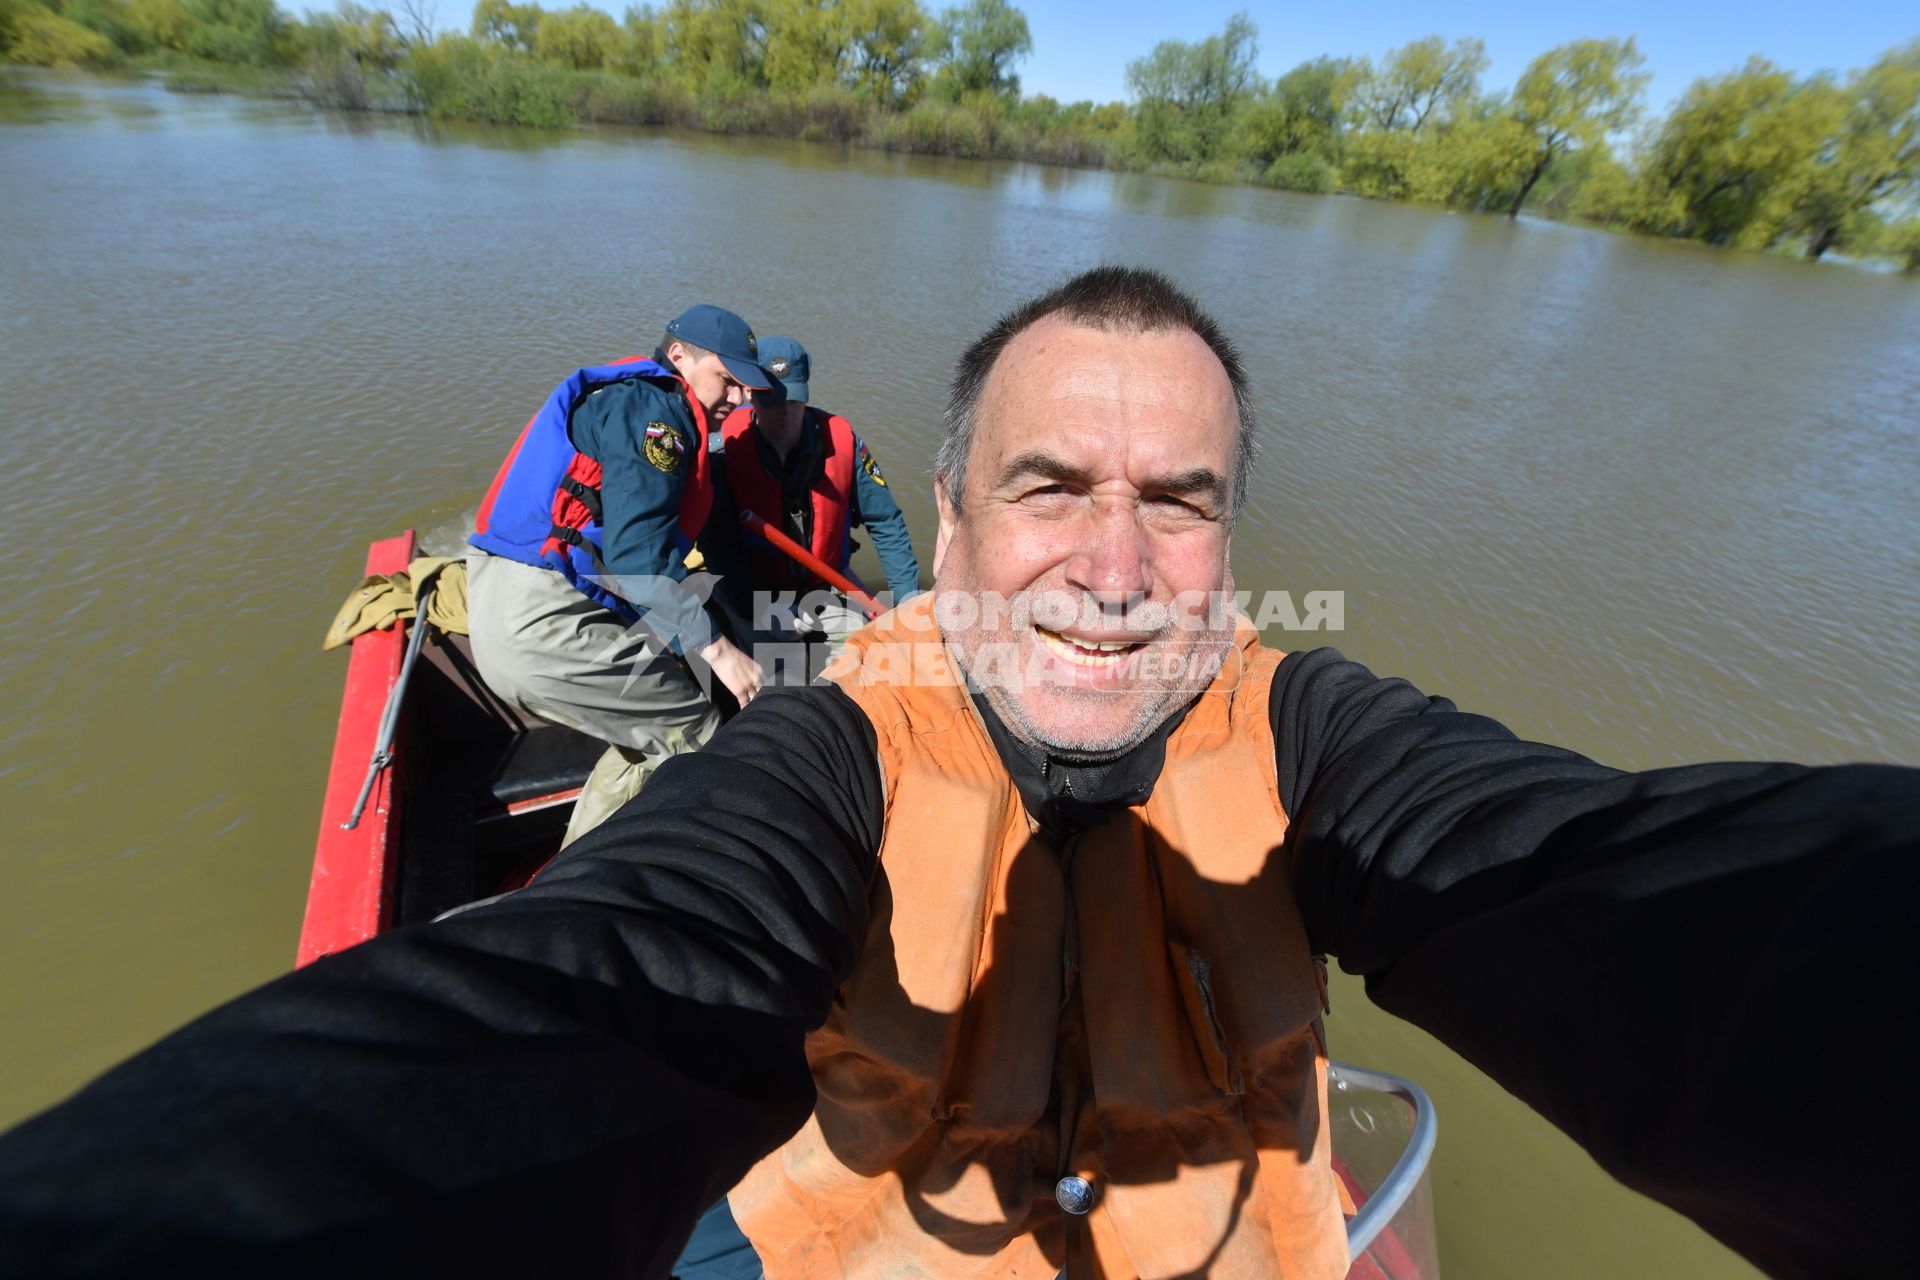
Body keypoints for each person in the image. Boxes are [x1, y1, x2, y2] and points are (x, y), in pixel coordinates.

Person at [0, 268, 1915, 1280]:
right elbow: (610, 976)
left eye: (1178, 502)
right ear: (963, 516)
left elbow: (1618, 886)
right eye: (1048, 487)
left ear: (1235, 550)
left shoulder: (1318, 731)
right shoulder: (835, 743)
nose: (1108, 560)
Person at [464, 304, 773, 844]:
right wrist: (723, 655)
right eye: (727, 380)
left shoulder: (630, 400)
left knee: (646, 740)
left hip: (502, 608)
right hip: (543, 620)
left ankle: (571, 873)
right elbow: (637, 561)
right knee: (695, 732)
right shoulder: (658, 418)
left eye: (745, 387)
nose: (738, 399)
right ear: (680, 356)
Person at [706, 336, 922, 658]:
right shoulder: (725, 451)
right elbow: (718, 546)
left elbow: (885, 521)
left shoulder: (842, 442)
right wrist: (760, 610)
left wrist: (908, 603)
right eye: (771, 400)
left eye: (793, 400)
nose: (784, 414)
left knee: (870, 660)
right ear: (750, 393)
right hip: (754, 591)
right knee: (776, 681)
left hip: (823, 585)